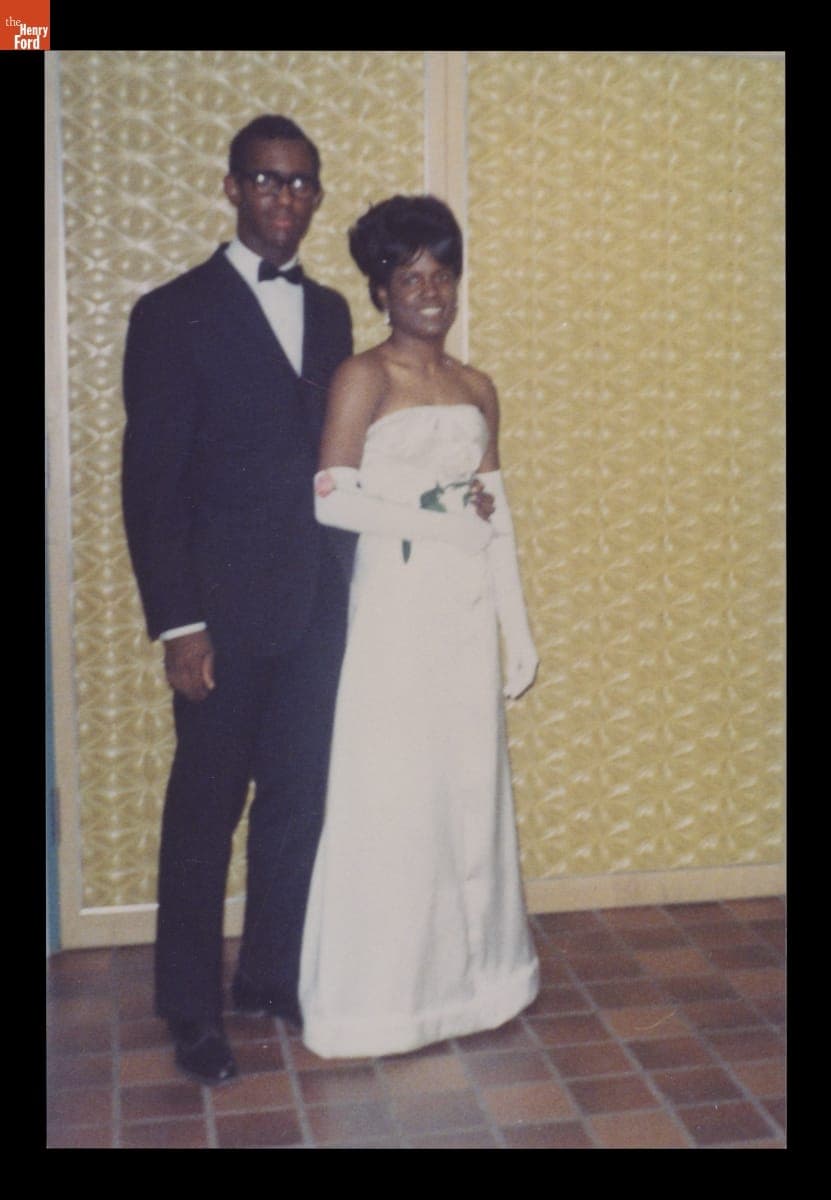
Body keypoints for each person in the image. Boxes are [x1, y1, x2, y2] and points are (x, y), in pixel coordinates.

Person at [121, 115, 354, 1083]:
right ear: (230, 188)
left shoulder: (336, 312)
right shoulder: (172, 312)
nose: (284, 199)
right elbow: (151, 484)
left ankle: (267, 976)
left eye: (301, 184)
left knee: (298, 798)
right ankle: (191, 1008)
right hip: (217, 613)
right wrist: (179, 623)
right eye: (266, 180)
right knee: (205, 808)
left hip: (316, 607)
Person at [298, 194, 540, 1058]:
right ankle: (384, 1004)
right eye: (411, 277)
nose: (430, 291)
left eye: (442, 274)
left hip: (465, 621)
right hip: (395, 619)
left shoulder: (477, 388)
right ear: (382, 290)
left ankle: (475, 987)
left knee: (468, 796)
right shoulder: (364, 377)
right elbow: (332, 501)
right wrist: (443, 522)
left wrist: (519, 630)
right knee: (395, 798)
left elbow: (496, 515)